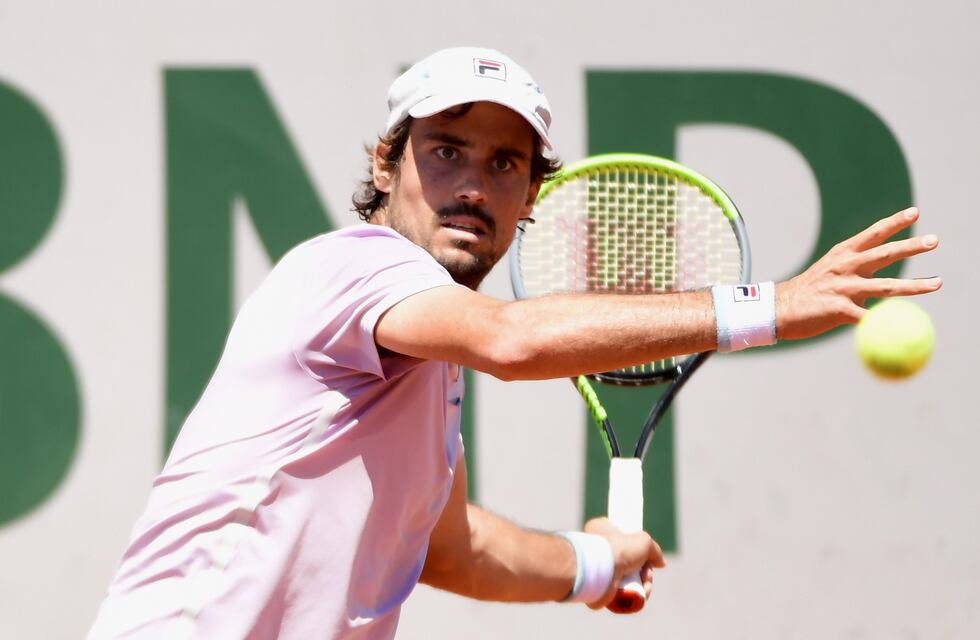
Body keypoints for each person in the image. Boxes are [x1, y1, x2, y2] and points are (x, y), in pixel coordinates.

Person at [88, 47, 941, 639]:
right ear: (386, 167)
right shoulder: (350, 268)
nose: (472, 185)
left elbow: (457, 551)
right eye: (446, 150)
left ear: (532, 194)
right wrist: (769, 308)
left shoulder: (429, 370)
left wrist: (596, 564)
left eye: (504, 164)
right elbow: (510, 340)